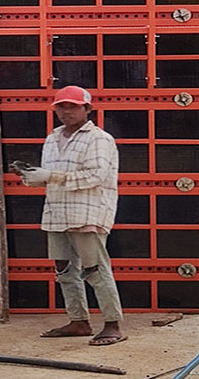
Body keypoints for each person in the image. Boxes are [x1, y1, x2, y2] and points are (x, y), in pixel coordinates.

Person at [13, 85, 126, 346]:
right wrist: (31, 177)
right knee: (64, 270)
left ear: (87, 109)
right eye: (61, 107)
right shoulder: (53, 138)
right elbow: (51, 178)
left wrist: (50, 176)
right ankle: (78, 321)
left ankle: (112, 324)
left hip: (88, 213)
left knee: (95, 269)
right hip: (56, 212)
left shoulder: (99, 139)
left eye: (73, 106)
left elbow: (95, 177)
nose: (66, 111)